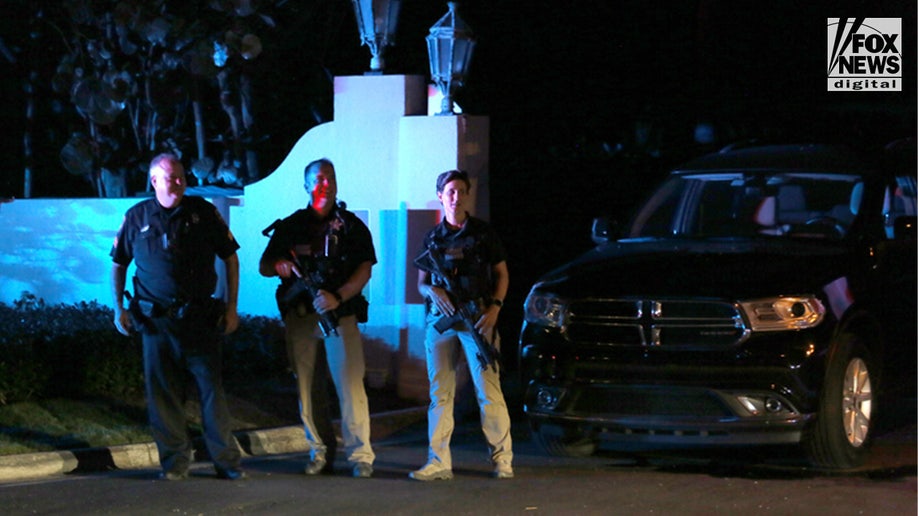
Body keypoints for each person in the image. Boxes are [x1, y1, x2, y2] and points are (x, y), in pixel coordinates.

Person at [110, 153, 245, 481]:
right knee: (163, 397)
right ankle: (175, 464)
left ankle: (226, 462)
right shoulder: (137, 216)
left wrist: (231, 308)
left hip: (200, 320)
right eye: (171, 177)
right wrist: (119, 308)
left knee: (212, 393)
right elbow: (118, 264)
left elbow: (231, 260)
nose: (179, 182)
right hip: (156, 322)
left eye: (181, 176)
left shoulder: (203, 213)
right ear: (154, 181)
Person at [259, 158, 376, 478]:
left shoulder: (351, 225)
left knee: (350, 385)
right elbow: (265, 265)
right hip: (301, 317)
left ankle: (360, 456)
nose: (325, 183)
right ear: (307, 185)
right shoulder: (291, 225)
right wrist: (281, 265)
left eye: (330, 178)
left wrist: (338, 296)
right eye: (318, 179)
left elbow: (364, 269)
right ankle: (320, 451)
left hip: (339, 314)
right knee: (308, 389)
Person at [410, 169, 513, 481]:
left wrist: (494, 308)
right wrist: (433, 290)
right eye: (450, 191)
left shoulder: (483, 233)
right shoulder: (433, 238)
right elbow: (421, 283)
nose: (455, 197)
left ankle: (502, 459)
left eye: (460, 191)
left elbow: (502, 275)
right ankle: (438, 461)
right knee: (440, 392)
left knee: (488, 390)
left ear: (467, 195)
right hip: (441, 320)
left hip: (478, 318)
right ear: (441, 195)